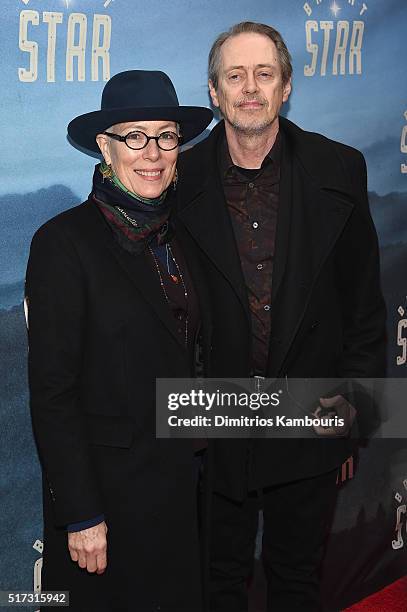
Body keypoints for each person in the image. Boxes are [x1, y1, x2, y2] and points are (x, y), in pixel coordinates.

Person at [176, 21, 387, 612]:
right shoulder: (177, 178)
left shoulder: (338, 169)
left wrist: (353, 417)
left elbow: (364, 310)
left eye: (264, 74)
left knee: (297, 580)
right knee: (216, 582)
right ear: (214, 93)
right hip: (213, 420)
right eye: (235, 76)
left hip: (309, 412)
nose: (250, 88)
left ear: (286, 86)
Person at [25, 70, 213, 611]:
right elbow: (53, 393)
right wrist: (81, 514)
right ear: (106, 148)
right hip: (108, 501)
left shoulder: (186, 236)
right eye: (135, 136)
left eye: (166, 136)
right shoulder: (63, 243)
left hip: (182, 487)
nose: (152, 152)